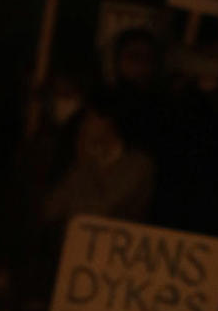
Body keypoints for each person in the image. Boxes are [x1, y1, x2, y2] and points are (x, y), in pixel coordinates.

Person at [43, 88, 155, 226]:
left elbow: (102, 210)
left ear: (108, 122)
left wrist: (87, 167)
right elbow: (52, 209)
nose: (84, 126)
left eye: (90, 119)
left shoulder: (137, 166)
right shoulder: (84, 161)